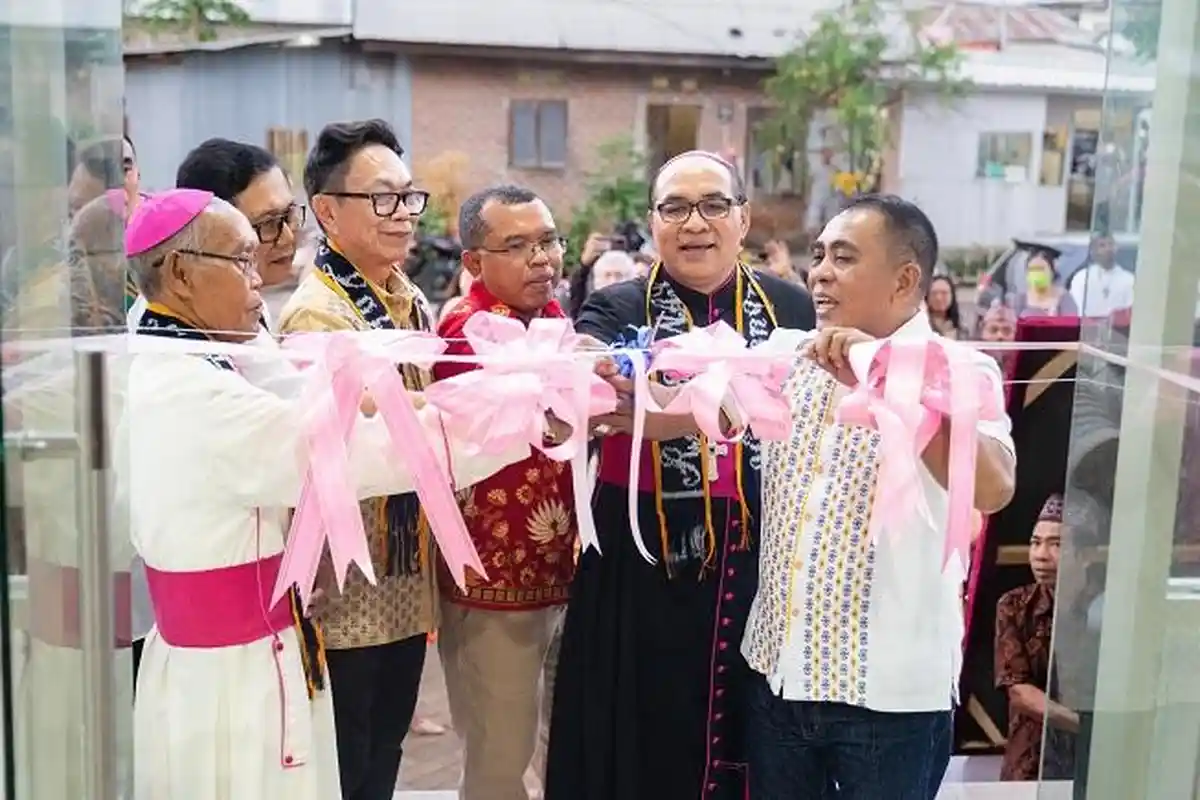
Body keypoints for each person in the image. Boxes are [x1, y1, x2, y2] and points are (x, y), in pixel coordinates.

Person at [121, 189, 529, 799]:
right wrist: (521, 415)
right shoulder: (193, 394)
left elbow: (311, 396)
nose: (259, 277)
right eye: (241, 261)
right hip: (231, 675)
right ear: (181, 273)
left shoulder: (190, 352)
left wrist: (464, 399)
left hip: (240, 652)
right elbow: (359, 453)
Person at [545, 150, 816, 800]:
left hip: (759, 559)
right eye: (675, 207)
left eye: (713, 205)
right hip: (640, 565)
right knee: (637, 735)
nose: (694, 223)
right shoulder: (616, 306)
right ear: (653, 221)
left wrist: (646, 410)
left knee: (751, 738)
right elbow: (587, 403)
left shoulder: (790, 307)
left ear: (743, 218)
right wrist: (639, 408)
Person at [743, 194, 1016, 799]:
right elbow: (679, 404)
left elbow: (994, 487)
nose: (819, 273)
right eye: (817, 257)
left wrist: (889, 389)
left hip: (890, 698)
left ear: (905, 279)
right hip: (778, 678)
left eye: (843, 257)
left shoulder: (961, 368)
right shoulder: (785, 356)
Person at [278, 118, 439, 800]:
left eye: (408, 197)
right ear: (326, 210)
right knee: (346, 756)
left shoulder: (411, 299)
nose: (401, 214)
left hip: (404, 569)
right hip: (343, 585)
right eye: (382, 198)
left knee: (384, 749)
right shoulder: (317, 315)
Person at [434, 185, 578, 800]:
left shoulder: (551, 320)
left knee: (551, 741)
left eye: (547, 240)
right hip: (492, 579)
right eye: (516, 246)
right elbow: (533, 414)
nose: (540, 258)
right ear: (473, 261)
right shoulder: (465, 331)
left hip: (556, 565)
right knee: (500, 754)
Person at [995, 494, 1079, 782]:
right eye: (1035, 542)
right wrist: (1088, 726)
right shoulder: (1014, 605)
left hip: (1091, 762)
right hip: (1030, 763)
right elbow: (1019, 690)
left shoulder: (1103, 606)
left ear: (1082, 551)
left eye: (1056, 544)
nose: (1041, 554)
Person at [1067, 232, 1134, 317]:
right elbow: (1076, 310)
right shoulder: (1082, 278)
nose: (1108, 249)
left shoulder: (1129, 279)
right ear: (1093, 251)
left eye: (1111, 244)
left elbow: (1130, 312)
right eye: (1102, 246)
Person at [1014, 252, 1078, 318]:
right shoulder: (1020, 299)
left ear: (1051, 272)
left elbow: (1070, 325)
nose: (1037, 273)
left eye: (1041, 269)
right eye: (1032, 269)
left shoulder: (1064, 299)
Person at [926, 274, 967, 338]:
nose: (938, 298)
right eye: (934, 293)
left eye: (944, 293)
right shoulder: (920, 326)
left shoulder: (962, 328)